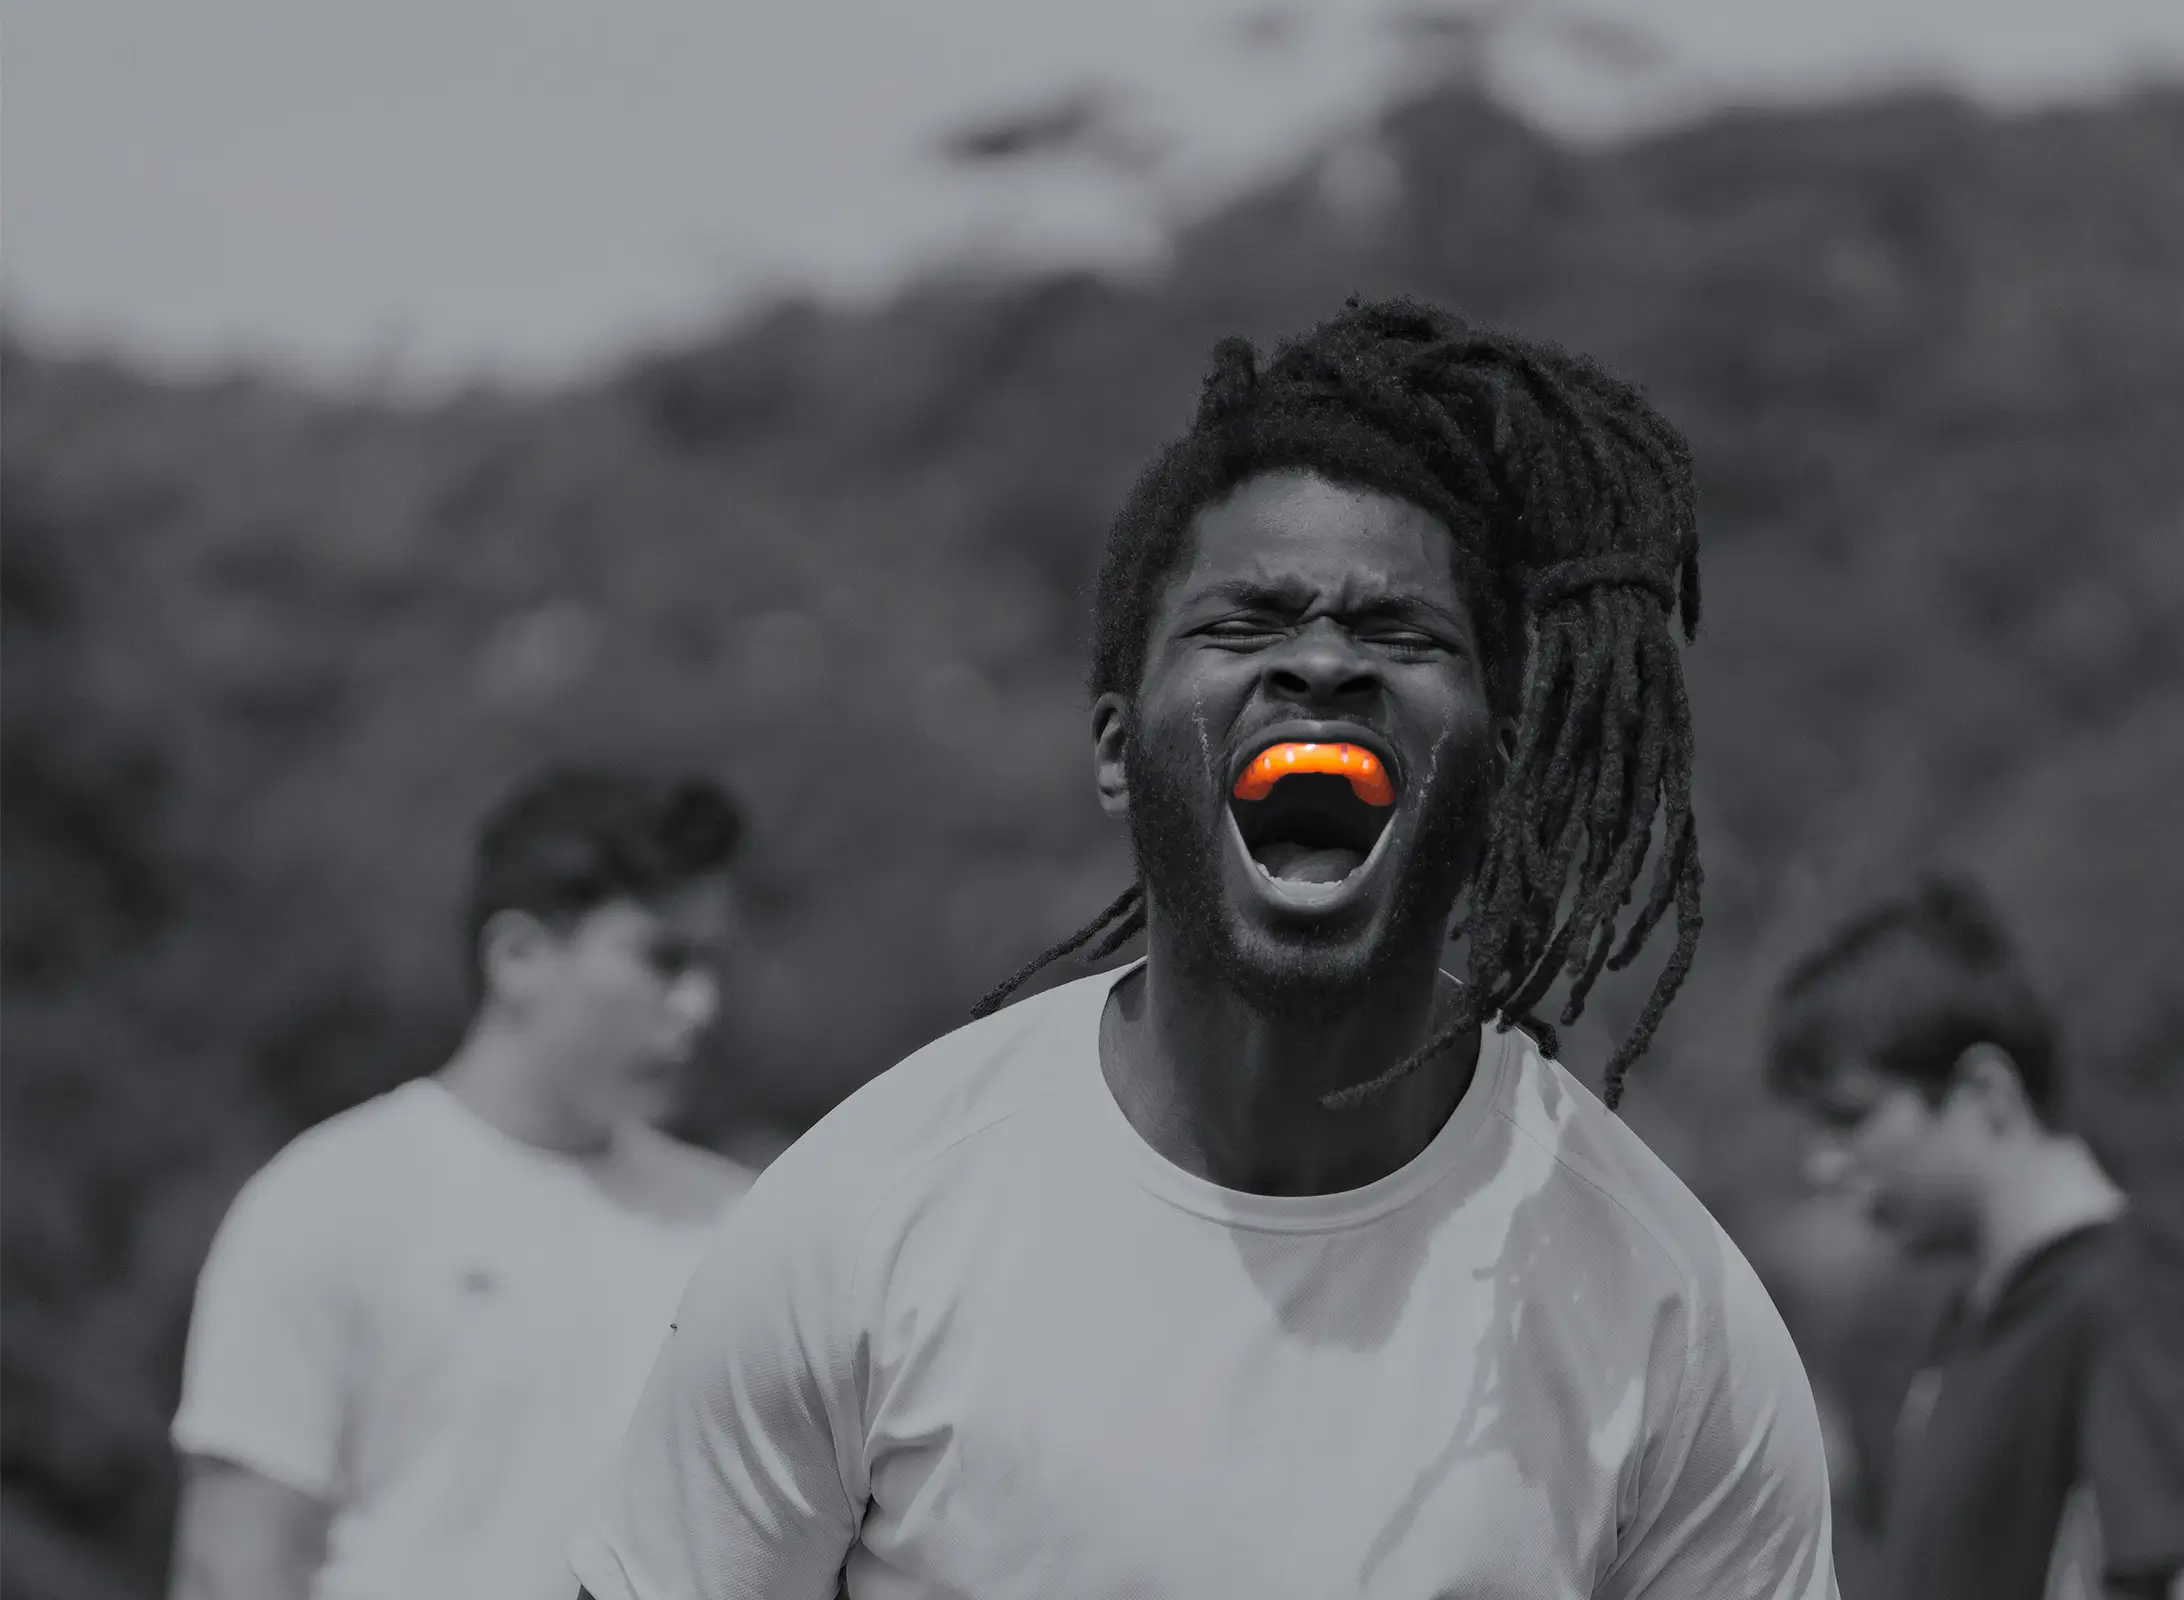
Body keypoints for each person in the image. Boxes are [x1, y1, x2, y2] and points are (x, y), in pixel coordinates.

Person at [570, 298, 1838, 1598]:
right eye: (1247, 624)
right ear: (1118, 749)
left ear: (1502, 755)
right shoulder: (861, 1224)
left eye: (1402, 634)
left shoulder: (1663, 1303)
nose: (1325, 664)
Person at [168, 767, 759, 1600]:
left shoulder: (743, 1223)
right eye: (663, 958)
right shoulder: (326, 1202)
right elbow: (235, 1569)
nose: (699, 1005)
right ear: (517, 957)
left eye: (712, 964)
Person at [1764, 873, 2184, 1600]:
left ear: (1985, 1091)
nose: (1825, 1165)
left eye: (1852, 1118)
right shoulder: (1978, 1326)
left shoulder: (2133, 1311)